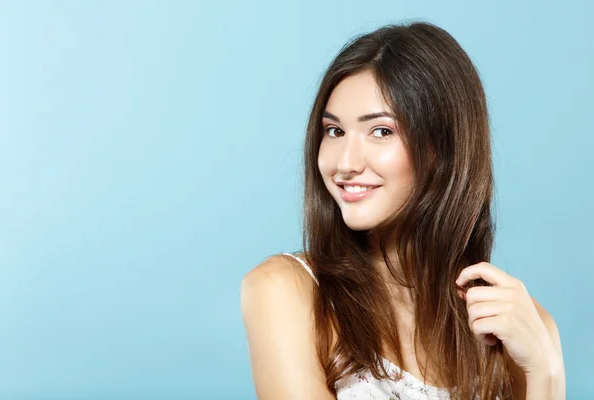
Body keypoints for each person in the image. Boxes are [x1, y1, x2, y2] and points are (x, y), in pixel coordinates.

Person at [240, 21, 565, 399]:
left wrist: (545, 370)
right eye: (334, 131)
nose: (345, 163)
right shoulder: (286, 291)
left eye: (381, 132)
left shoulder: (520, 322)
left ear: (442, 150)